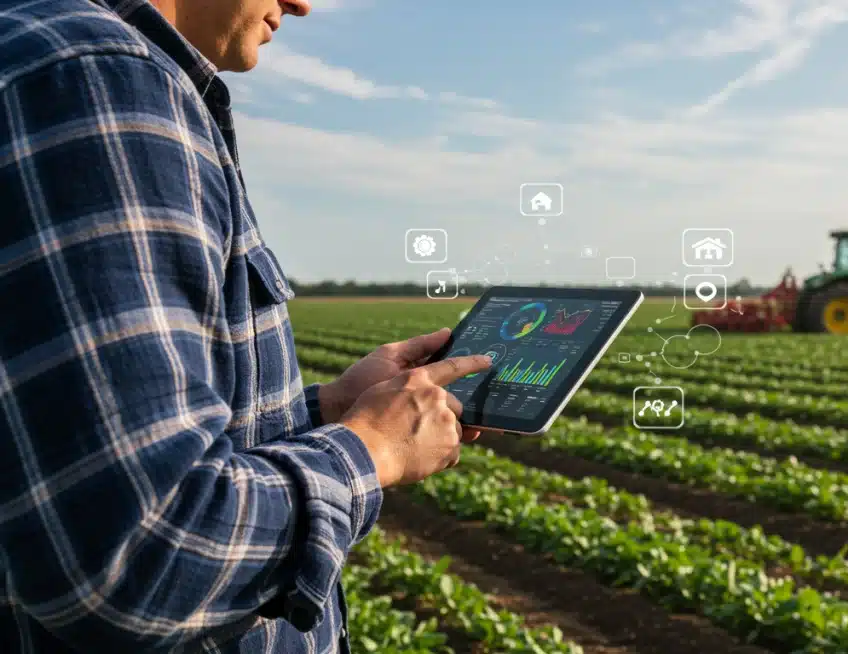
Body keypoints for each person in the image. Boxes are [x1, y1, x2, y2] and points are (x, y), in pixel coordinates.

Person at [0, 1, 491, 652]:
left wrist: (332, 409)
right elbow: (141, 556)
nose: (302, 4)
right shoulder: (97, 80)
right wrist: (373, 449)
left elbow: (70, 449)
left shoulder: (48, 56)